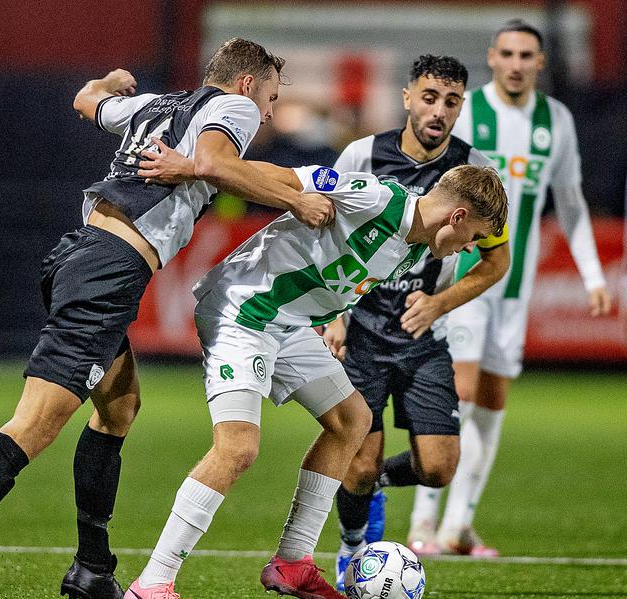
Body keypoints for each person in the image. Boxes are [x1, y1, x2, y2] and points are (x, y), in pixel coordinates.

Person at [0, 38, 340, 599]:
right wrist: (294, 201)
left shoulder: (158, 104)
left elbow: (86, 102)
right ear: (248, 84)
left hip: (81, 256)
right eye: (272, 96)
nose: (270, 111)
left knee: (120, 407)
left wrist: (109, 83)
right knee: (35, 424)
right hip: (108, 270)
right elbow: (217, 163)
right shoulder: (236, 108)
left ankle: (92, 568)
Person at [122, 160, 508, 599]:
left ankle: (292, 563)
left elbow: (339, 270)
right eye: (474, 236)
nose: (470, 248)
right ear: (457, 216)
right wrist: (194, 166)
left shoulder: (416, 247)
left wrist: (336, 316)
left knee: (352, 420)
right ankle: (152, 582)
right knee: (238, 447)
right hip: (245, 312)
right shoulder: (373, 196)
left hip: (288, 325)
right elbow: (288, 177)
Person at [408, 20, 612, 557]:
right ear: (492, 58)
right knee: (464, 391)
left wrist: (593, 275)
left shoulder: (556, 120)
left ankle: (458, 527)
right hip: (468, 275)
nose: (518, 63)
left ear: (540, 63)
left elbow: (569, 201)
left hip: (515, 286)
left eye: (528, 54)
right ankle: (422, 523)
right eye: (508, 53)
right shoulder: (466, 110)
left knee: (494, 401)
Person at [319, 55, 510, 587]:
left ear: (461, 107)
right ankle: (352, 550)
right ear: (407, 98)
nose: (438, 111)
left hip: (424, 336)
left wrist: (439, 304)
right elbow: (329, 230)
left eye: (451, 102)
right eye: (429, 97)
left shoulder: (475, 172)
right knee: (354, 462)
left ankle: (367, 481)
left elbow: (498, 259)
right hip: (360, 332)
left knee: (438, 468)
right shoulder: (363, 154)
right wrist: (335, 312)